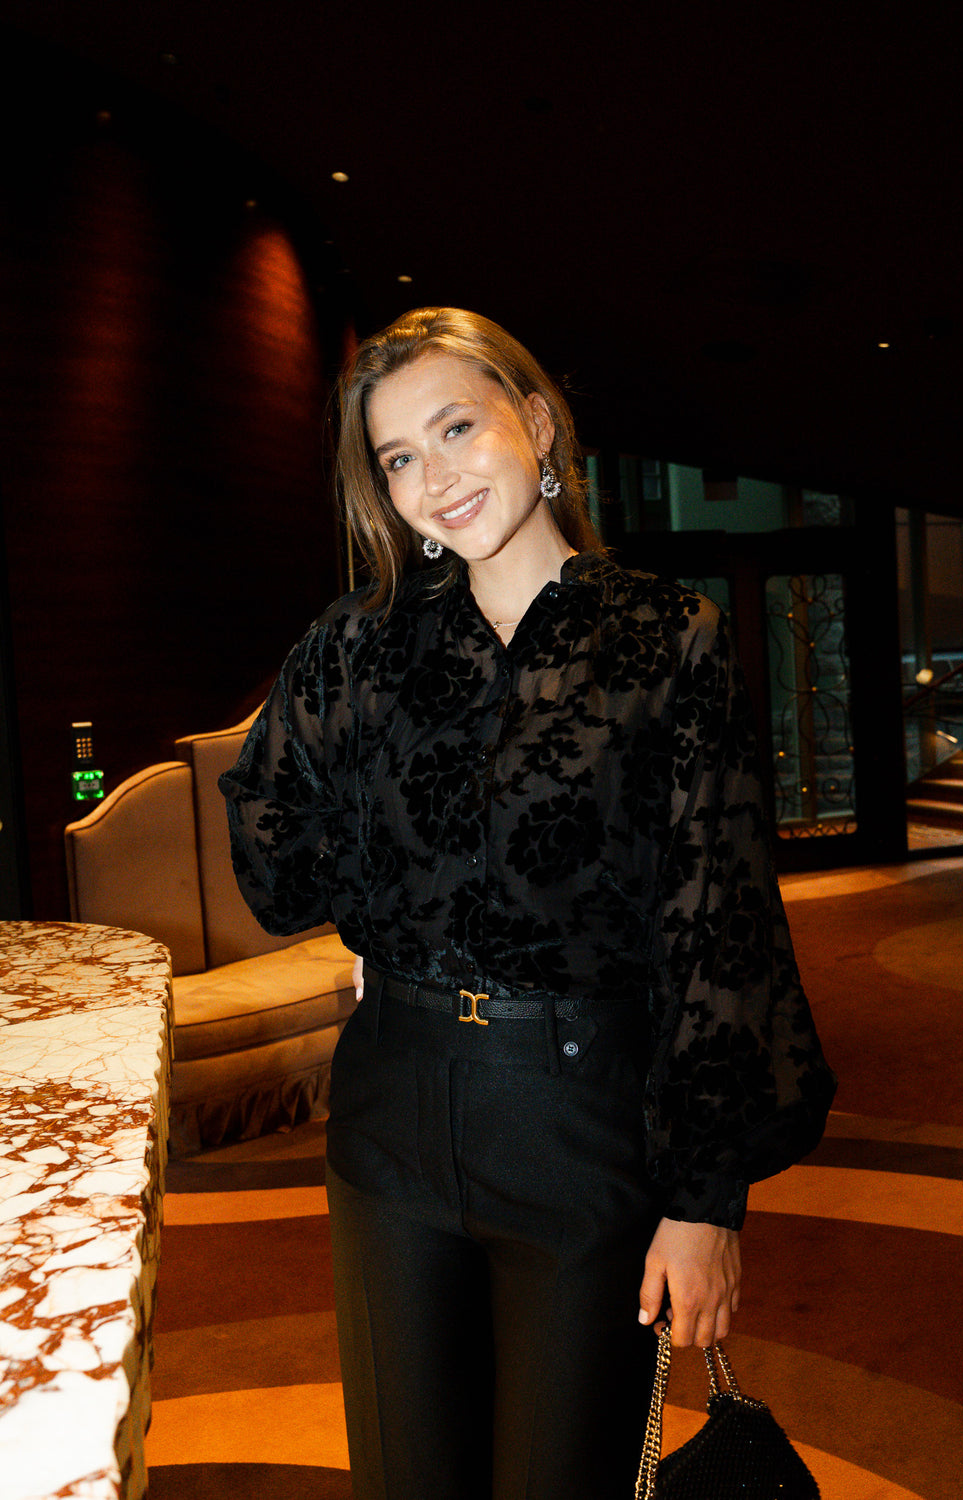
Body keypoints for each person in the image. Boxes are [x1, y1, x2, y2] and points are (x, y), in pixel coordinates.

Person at [219, 306, 836, 1500]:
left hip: (580, 1120)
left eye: (457, 428)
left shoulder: (667, 638)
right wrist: (393, 908)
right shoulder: (357, 645)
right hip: (391, 1108)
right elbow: (271, 852)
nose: (434, 476)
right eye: (399, 457)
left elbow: (719, 925)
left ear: (537, 423)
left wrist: (706, 1204)